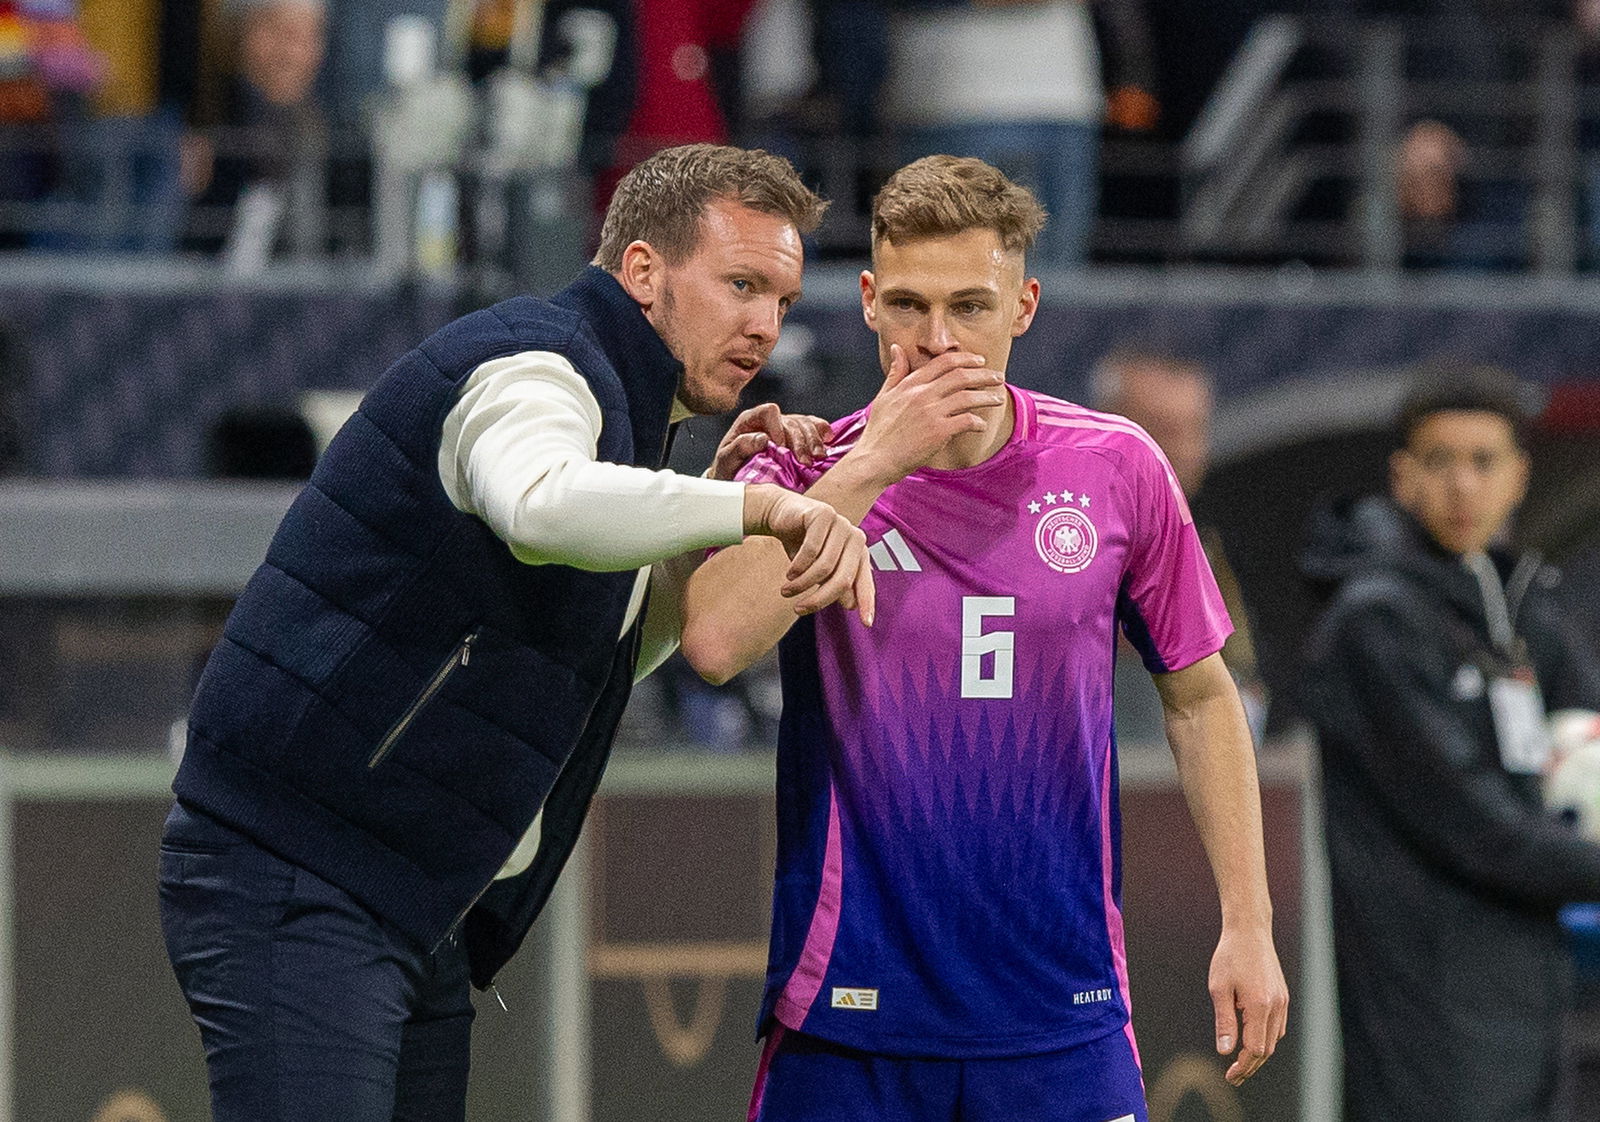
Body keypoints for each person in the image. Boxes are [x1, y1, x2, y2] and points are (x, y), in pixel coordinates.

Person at [158, 143, 874, 1121]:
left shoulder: (629, 419)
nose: (764, 326)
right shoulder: (539, 364)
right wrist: (754, 510)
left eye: (782, 301)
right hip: (300, 870)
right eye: (741, 285)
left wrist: (702, 510)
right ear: (641, 271)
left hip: (408, 895)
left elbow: (600, 653)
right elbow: (540, 505)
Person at [680, 155, 1288, 1121]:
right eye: (909, 306)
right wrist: (874, 464)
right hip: (848, 1018)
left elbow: (1202, 696)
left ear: (1024, 308)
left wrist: (1248, 924)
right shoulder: (805, 471)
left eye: (970, 306)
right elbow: (713, 641)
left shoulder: (1117, 468)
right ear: (868, 303)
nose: (937, 340)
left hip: (1062, 1015)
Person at [1300, 365, 1600, 1122]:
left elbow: (1584, 725)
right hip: (1423, 1014)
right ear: (1403, 476)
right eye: (1440, 461)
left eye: (1483, 461)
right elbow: (1471, 820)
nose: (1462, 484)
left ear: (1519, 477)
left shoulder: (1522, 607)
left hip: (1529, 998)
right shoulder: (1374, 623)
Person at [1091, 348, 1266, 739]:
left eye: (1193, 429)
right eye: (1161, 430)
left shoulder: (1220, 539)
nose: (1180, 450)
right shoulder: (1068, 536)